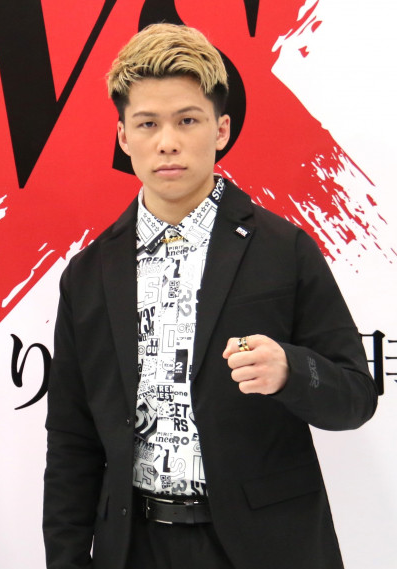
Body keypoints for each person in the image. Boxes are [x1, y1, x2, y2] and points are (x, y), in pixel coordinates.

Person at [42, 23, 377, 569]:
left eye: (187, 120)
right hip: (134, 547)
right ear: (123, 137)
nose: (167, 141)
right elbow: (71, 439)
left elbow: (357, 396)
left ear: (221, 129)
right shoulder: (89, 273)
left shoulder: (283, 249)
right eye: (147, 123)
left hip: (267, 547)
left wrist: (290, 370)